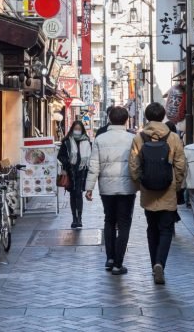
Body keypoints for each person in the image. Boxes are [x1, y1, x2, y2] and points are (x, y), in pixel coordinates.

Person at [129, 102, 186, 285]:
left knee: (151, 229)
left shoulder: (139, 138)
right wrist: (176, 185)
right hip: (167, 190)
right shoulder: (174, 137)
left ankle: (154, 264)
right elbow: (180, 165)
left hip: (148, 191)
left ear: (146, 117)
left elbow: (133, 166)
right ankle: (160, 263)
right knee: (166, 229)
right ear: (163, 117)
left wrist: (140, 183)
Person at [85, 106, 137, 275]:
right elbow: (137, 164)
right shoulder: (133, 139)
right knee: (124, 223)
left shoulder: (101, 139)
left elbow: (94, 165)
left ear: (109, 119)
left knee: (109, 220)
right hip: (127, 187)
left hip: (106, 188)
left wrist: (89, 187)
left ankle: (110, 258)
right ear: (126, 120)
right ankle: (118, 263)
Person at [57, 120, 91, 229]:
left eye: (79, 129)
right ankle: (74, 218)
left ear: (82, 130)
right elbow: (60, 156)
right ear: (72, 129)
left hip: (81, 171)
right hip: (70, 171)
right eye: (75, 129)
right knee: (73, 195)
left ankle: (79, 218)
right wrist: (67, 163)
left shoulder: (86, 141)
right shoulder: (67, 141)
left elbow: (90, 157)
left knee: (79, 193)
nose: (77, 131)